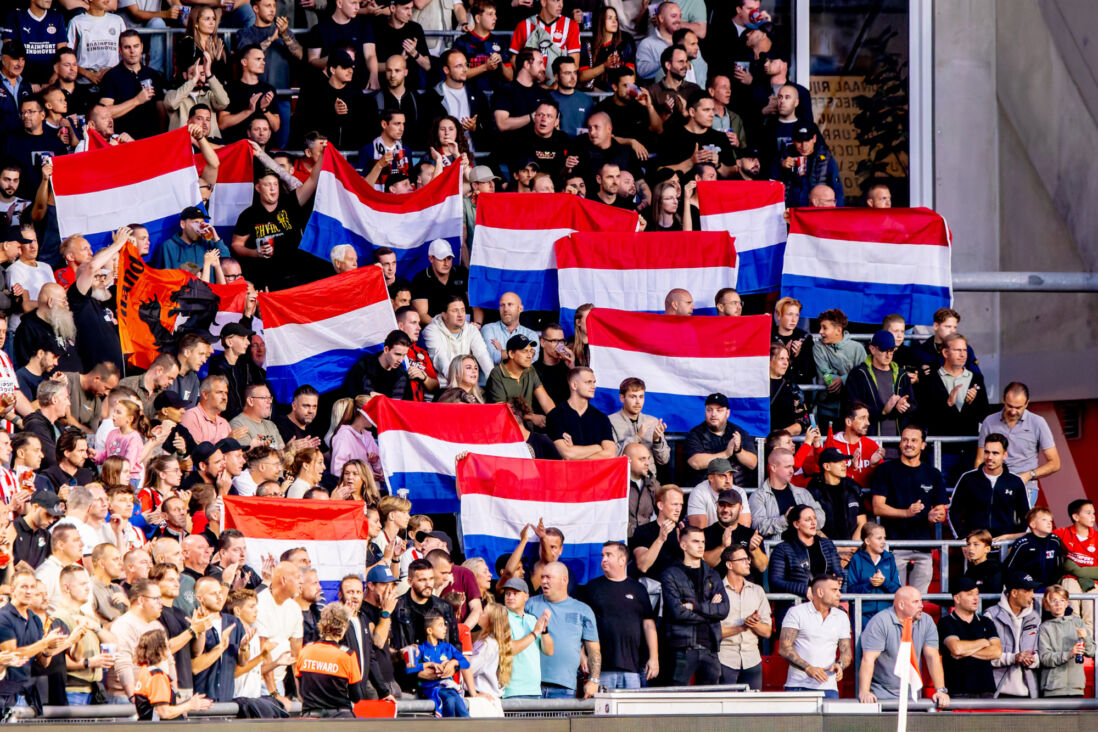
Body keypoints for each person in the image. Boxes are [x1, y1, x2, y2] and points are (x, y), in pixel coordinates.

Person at [870, 424, 948, 593]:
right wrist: (906, 513)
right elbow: (877, 507)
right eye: (905, 440)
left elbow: (941, 511)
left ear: (923, 445)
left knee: (918, 600)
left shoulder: (933, 473)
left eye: (914, 440)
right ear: (900, 443)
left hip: (923, 547)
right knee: (893, 597)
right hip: (893, 546)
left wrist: (934, 516)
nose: (908, 444)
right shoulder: (886, 470)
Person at [857, 586, 949, 706]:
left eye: (921, 601)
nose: (921, 605)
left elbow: (933, 657)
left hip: (913, 696)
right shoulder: (880, 621)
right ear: (901, 605)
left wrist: (940, 690)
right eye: (915, 602)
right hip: (882, 695)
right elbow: (868, 659)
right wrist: (864, 692)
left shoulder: (927, 621)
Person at [976, 382, 1061, 508]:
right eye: (1009, 406)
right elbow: (980, 459)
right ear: (1003, 400)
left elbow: (1055, 463)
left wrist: (1028, 475)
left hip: (1025, 486)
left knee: (1018, 520)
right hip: (994, 484)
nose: (1013, 411)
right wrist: (981, 484)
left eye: (1018, 407)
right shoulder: (989, 421)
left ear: (1027, 404)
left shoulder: (1037, 422)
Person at [585, 542, 658, 689]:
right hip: (601, 669)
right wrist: (583, 656)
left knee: (632, 705)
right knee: (602, 704)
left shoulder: (638, 588)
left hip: (634, 668)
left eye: (608, 555)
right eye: (602, 556)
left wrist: (654, 658)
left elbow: (649, 625)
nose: (604, 559)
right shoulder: (592, 588)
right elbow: (582, 626)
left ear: (622, 560)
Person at [525, 562, 600, 698]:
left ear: (564, 580)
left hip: (565, 687)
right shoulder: (530, 605)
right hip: (531, 684)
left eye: (548, 577)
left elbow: (594, 650)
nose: (544, 581)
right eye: (542, 577)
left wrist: (594, 680)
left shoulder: (583, 610)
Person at [778, 574, 851, 698]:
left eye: (839, 590)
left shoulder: (842, 616)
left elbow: (846, 652)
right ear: (820, 592)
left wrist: (840, 665)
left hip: (829, 687)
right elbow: (784, 648)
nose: (839, 594)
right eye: (834, 590)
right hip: (798, 685)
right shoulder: (796, 612)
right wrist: (808, 668)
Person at [948, 433, 1029, 541]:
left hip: (1004, 544)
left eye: (995, 453)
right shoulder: (968, 478)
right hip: (975, 544)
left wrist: (1012, 540)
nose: (990, 457)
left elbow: (1027, 516)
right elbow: (953, 511)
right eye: (986, 452)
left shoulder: (1015, 481)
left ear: (1004, 455)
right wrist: (962, 538)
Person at [846, 330, 918, 442]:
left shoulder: (902, 375)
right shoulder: (858, 374)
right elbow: (852, 408)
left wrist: (904, 406)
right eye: (884, 350)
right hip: (868, 442)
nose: (888, 355)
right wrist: (883, 411)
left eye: (892, 350)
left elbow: (913, 406)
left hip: (897, 444)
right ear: (872, 349)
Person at [294, 603, 363, 718]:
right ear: (343, 626)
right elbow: (356, 697)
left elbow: (301, 688)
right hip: (340, 716)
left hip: (310, 716)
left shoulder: (305, 651)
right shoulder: (347, 655)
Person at [937, 577, 1001, 698]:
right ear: (957, 598)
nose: (976, 598)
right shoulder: (946, 622)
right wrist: (983, 642)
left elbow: (997, 652)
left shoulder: (986, 621)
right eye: (970, 594)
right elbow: (956, 648)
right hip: (958, 692)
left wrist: (965, 651)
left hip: (986, 690)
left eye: (977, 594)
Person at [717, 544, 770, 688]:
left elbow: (767, 632)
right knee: (724, 702)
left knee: (753, 703)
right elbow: (712, 632)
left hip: (752, 660)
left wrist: (754, 623)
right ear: (729, 564)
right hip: (724, 659)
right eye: (742, 559)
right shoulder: (717, 591)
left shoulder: (757, 591)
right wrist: (742, 626)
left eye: (748, 559)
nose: (748, 562)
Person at [132, 629, 213, 720]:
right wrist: (190, 705)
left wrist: (187, 703)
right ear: (160, 650)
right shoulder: (157, 676)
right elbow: (163, 712)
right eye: (167, 646)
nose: (169, 650)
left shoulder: (145, 670)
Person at [768, 505, 844, 601]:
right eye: (808, 520)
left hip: (824, 602)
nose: (813, 523)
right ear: (796, 524)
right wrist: (804, 590)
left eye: (814, 518)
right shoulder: (782, 549)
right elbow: (776, 581)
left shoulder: (827, 544)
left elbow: (838, 573)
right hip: (795, 604)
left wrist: (838, 580)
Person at [98, 31, 165, 140]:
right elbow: (105, 113)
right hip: (123, 141)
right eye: (127, 47)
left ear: (142, 47)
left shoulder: (153, 74)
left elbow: (161, 112)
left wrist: (161, 138)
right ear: (120, 50)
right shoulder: (111, 76)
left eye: (136, 46)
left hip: (151, 140)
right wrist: (137, 100)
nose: (132, 51)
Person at [682, 392, 758, 487]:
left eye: (719, 410)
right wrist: (726, 454)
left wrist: (738, 450)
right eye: (709, 410)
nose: (713, 414)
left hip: (736, 490)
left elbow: (752, 463)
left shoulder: (738, 432)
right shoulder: (695, 434)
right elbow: (695, 463)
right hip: (706, 490)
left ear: (727, 413)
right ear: (705, 411)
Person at [986, 572, 1042, 698]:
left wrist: (1033, 659)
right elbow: (985, 655)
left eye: (1033, 590)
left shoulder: (1035, 617)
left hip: (1029, 693)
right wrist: (1014, 658)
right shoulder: (991, 615)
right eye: (1027, 591)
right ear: (1014, 593)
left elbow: (1041, 654)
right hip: (997, 692)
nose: (1032, 595)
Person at [546, 367, 617, 461]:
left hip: (596, 470)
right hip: (565, 470)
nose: (594, 386)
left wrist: (577, 457)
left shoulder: (601, 418)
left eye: (594, 382)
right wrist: (597, 447)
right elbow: (568, 454)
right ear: (574, 385)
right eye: (588, 382)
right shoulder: (555, 415)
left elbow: (610, 454)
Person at [256, 562, 304, 701]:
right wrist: (274, 694)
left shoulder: (295, 608)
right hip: (258, 683)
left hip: (279, 683)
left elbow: (296, 655)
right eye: (297, 577)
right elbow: (263, 653)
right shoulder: (259, 604)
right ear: (284, 580)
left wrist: (301, 694)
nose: (301, 581)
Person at [813, 308, 866, 433]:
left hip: (852, 411)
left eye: (824, 328)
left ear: (838, 330)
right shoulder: (818, 347)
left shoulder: (857, 348)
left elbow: (862, 375)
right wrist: (839, 379)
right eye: (820, 327)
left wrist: (842, 379)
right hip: (826, 411)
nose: (820, 332)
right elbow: (825, 374)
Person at [748, 448, 821, 538]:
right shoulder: (758, 496)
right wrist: (785, 520)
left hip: (804, 546)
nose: (792, 471)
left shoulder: (803, 493)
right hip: (776, 546)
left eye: (792, 466)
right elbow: (757, 527)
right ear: (773, 467)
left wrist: (804, 519)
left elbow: (821, 518)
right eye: (787, 467)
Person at [1037, 585, 1095, 697]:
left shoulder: (1078, 622)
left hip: (1076, 688)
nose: (1058, 604)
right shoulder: (1044, 627)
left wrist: (1086, 638)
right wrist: (1068, 654)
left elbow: (1091, 651)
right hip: (1053, 688)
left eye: (1062, 600)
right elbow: (1045, 658)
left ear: (1067, 603)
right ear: (1047, 604)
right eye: (1054, 601)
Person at [485, 335, 555, 426]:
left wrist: (558, 421)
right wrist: (531, 417)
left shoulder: (530, 370)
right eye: (525, 351)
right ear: (511, 354)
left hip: (527, 430)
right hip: (505, 429)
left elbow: (545, 401)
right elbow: (502, 411)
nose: (530, 356)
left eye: (530, 351)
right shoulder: (497, 374)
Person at [422, 296, 492, 387]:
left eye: (463, 310)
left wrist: (493, 380)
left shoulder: (471, 329)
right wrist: (459, 383)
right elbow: (440, 359)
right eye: (455, 311)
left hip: (468, 384)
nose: (460, 315)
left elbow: (482, 355)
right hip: (443, 386)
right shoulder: (431, 331)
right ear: (444, 315)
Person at [844, 522, 900, 627]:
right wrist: (870, 584)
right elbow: (851, 590)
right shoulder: (856, 559)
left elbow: (898, 589)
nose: (883, 542)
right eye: (879, 538)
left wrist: (884, 582)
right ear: (867, 541)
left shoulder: (890, 558)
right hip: (862, 614)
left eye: (884, 538)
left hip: (886, 614)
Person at [1056, 499, 1098, 634]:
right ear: (1076, 517)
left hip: (1094, 582)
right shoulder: (1063, 533)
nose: (1093, 517)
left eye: (1093, 513)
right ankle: (1074, 643)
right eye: (1088, 513)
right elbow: (1039, 534)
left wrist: (1079, 570)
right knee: (1072, 609)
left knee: (1090, 612)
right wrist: (1005, 537)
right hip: (1070, 579)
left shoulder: (1097, 537)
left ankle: (1089, 644)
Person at [806, 447, 864, 544]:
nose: (844, 464)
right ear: (826, 466)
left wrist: (853, 545)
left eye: (844, 461)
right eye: (839, 462)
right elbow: (811, 526)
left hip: (853, 547)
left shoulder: (852, 486)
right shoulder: (813, 490)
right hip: (825, 548)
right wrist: (833, 548)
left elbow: (862, 520)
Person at [630, 484, 685, 582]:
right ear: (660, 506)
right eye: (674, 504)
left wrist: (686, 544)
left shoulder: (682, 531)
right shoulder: (643, 531)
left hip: (680, 586)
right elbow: (643, 566)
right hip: (653, 586)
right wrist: (660, 539)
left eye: (680, 505)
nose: (678, 509)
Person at [1003, 507, 1065, 589]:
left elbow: (1058, 567)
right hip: (1026, 586)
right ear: (1033, 524)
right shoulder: (1023, 543)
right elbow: (1010, 569)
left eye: (1050, 521)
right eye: (1044, 520)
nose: (1049, 523)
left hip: (1049, 586)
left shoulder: (1055, 541)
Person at [481, 293, 540, 366]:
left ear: (520, 309)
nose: (505, 309)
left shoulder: (531, 334)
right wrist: (522, 354)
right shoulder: (488, 329)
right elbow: (493, 357)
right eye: (502, 305)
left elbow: (531, 360)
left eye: (510, 304)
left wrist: (501, 351)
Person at [963, 529, 1003, 594]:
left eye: (976, 544)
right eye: (968, 544)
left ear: (987, 549)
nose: (970, 548)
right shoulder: (970, 570)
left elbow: (993, 595)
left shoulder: (994, 570)